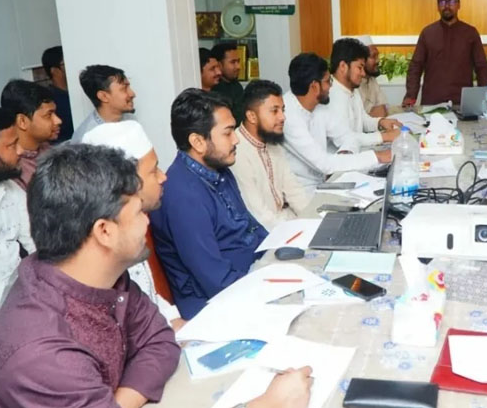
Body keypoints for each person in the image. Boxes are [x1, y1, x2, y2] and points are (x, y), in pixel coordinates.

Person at [0, 144, 180, 407]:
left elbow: (159, 340)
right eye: (139, 212)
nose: (147, 221)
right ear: (104, 231)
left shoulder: (106, 279)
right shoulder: (42, 353)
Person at [149, 89, 268, 319]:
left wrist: (277, 252)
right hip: (215, 305)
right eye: (228, 133)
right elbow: (216, 280)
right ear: (198, 142)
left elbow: (250, 225)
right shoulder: (183, 196)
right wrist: (268, 288)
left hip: (252, 275)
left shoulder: (219, 169)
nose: (236, 140)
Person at [82, 120, 185, 330]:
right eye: (153, 170)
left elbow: (146, 295)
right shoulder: (108, 242)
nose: (163, 177)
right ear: (128, 183)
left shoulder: (133, 224)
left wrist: (175, 321)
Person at [282, 53, 391, 192]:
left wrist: (345, 153)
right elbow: (325, 164)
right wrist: (377, 157)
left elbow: (348, 136)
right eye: (328, 81)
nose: (330, 87)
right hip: (302, 191)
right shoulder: (288, 116)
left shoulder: (318, 105)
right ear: (314, 86)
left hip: (326, 181)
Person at [0, 105, 35, 340]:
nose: (21, 150)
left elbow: (38, 241)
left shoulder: (9, 189)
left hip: (24, 305)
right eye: (12, 145)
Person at [231, 79, 311, 230]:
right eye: (274, 111)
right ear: (252, 116)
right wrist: (299, 228)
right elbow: (260, 217)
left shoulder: (271, 141)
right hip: (266, 233)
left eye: (282, 110)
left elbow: (294, 191)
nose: (282, 117)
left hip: (287, 221)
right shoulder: (237, 151)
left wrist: (313, 220)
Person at [403, 0, 487, 106]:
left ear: (459, 5)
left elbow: (482, 67)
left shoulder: (470, 33)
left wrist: (485, 97)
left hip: (462, 102)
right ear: (438, 7)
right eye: (442, 2)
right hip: (432, 103)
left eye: (452, 1)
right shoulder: (428, 33)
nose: (447, 6)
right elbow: (416, 66)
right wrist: (410, 96)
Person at [327, 38, 401, 150]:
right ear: (343, 66)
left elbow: (363, 119)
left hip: (358, 153)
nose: (363, 73)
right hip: (340, 157)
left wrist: (380, 122)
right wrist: (383, 137)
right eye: (359, 67)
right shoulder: (331, 94)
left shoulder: (352, 88)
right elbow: (344, 139)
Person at [0, 79, 62, 190]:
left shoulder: (49, 150)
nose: (58, 121)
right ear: (22, 121)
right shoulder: (12, 168)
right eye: (48, 115)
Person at [73, 64, 136, 141]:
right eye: (124, 89)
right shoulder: (86, 138)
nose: (132, 94)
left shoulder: (130, 120)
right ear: (103, 96)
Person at [41, 45, 74, 142]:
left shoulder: (74, 91)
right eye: (65, 63)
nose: (70, 66)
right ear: (54, 71)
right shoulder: (49, 99)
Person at [211, 42, 246, 126]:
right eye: (233, 62)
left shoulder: (237, 86)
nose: (238, 67)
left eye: (238, 61)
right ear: (219, 65)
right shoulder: (214, 90)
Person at [357, 35, 391, 118]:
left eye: (377, 56)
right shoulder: (354, 84)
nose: (378, 60)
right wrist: (373, 112)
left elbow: (384, 107)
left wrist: (376, 111)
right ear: (361, 60)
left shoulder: (371, 79)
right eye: (373, 56)